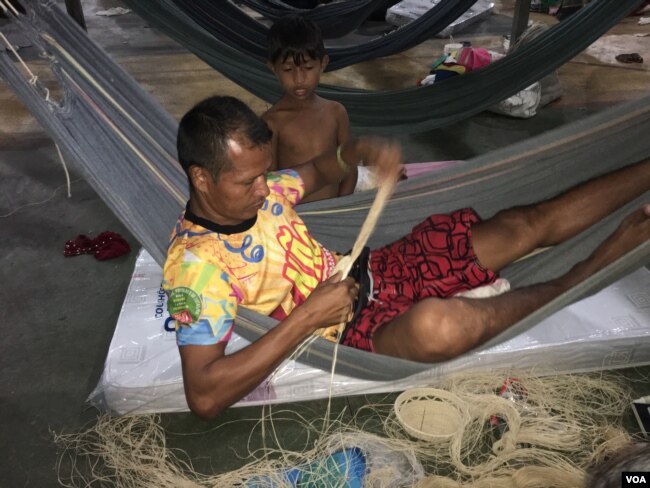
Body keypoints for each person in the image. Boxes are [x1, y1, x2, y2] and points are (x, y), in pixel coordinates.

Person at [163, 95, 649, 420]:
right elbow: (203, 395)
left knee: (519, 226)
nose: (264, 189)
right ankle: (581, 275)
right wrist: (309, 317)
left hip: (375, 267)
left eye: (264, 174)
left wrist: (358, 151)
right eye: (247, 181)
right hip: (343, 332)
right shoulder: (197, 267)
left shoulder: (265, 193)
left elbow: (316, 169)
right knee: (442, 327)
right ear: (201, 178)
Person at [262, 14, 357, 203]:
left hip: (335, 213)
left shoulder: (336, 112)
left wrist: (341, 208)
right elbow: (270, 183)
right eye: (288, 70)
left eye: (308, 67)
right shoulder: (271, 122)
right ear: (273, 68)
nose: (299, 79)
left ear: (323, 64)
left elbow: (349, 167)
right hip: (294, 220)